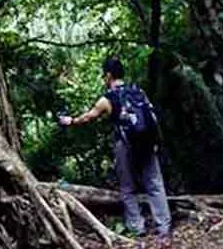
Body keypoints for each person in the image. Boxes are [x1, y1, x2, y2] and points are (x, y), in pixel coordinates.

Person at [59, 56, 171, 237]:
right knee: (155, 184)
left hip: (125, 145)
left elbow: (89, 117)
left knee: (128, 188)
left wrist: (70, 121)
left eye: (104, 75)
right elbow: (151, 117)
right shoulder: (138, 91)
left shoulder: (108, 99)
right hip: (148, 143)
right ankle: (163, 226)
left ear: (109, 75)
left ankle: (137, 228)